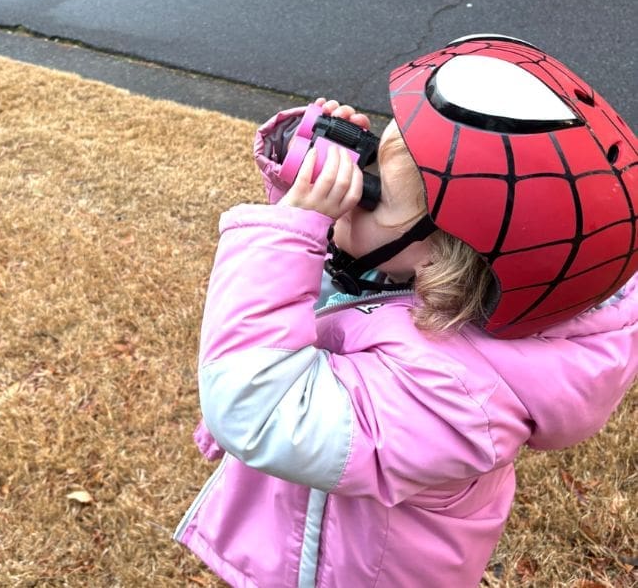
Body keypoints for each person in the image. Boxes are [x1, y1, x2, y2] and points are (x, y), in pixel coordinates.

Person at [174, 34, 638, 587]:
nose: (350, 195)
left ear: (446, 257)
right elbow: (340, 299)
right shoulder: (449, 292)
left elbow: (261, 408)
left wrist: (289, 232)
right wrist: (300, 182)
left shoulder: (457, 394)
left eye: (372, 192)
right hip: (309, 540)